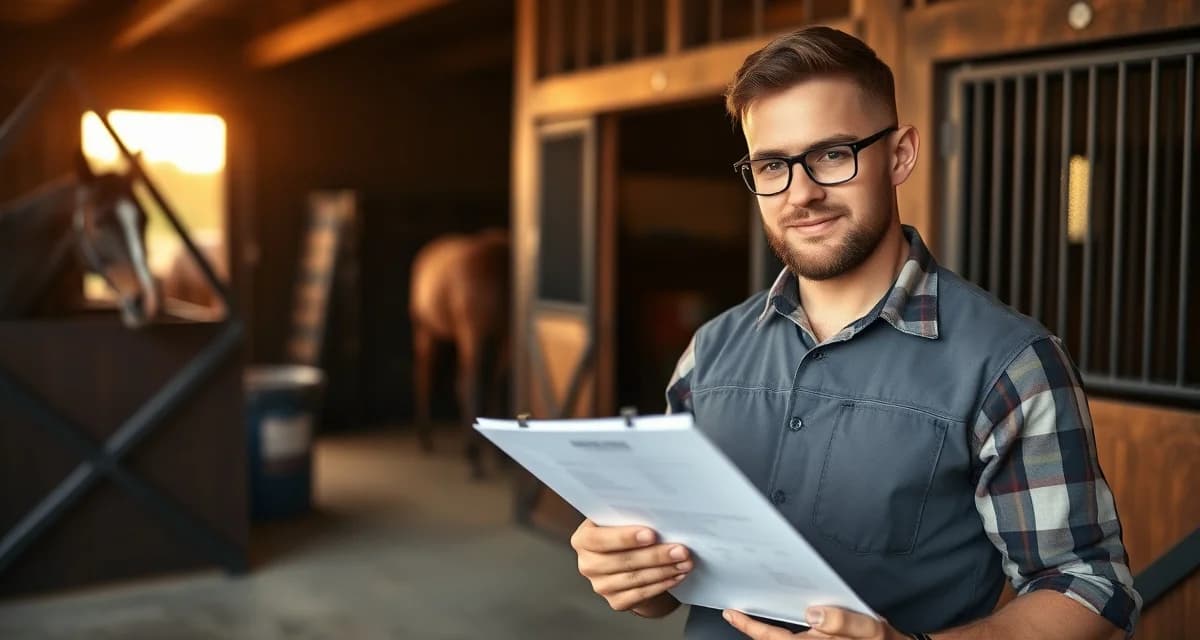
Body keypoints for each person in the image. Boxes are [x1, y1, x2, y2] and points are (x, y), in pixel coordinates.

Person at [569, 26, 1140, 640]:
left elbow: (1090, 587)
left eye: (833, 154)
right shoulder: (707, 353)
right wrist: (634, 576)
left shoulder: (1012, 365)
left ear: (900, 155)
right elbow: (673, 578)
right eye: (772, 165)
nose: (802, 193)